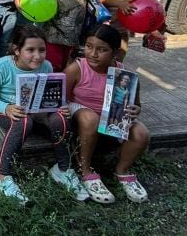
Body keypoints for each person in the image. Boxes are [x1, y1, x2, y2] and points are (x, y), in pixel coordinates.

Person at [0, 25, 88, 203]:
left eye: (42, 50)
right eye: (30, 50)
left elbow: (48, 93)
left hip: (36, 108)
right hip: (7, 108)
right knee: (24, 122)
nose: (37, 56)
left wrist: (60, 106)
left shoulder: (46, 66)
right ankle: (0, 176)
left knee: (61, 118)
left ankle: (62, 169)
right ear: (16, 50)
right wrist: (6, 107)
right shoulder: (0, 67)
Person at [63, 25, 150, 204]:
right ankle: (85, 170)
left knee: (141, 133)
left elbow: (136, 105)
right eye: (88, 46)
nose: (93, 54)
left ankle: (122, 171)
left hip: (111, 117)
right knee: (90, 118)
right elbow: (60, 96)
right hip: (80, 113)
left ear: (115, 53)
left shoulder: (124, 74)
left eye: (102, 50)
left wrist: (135, 110)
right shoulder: (77, 68)